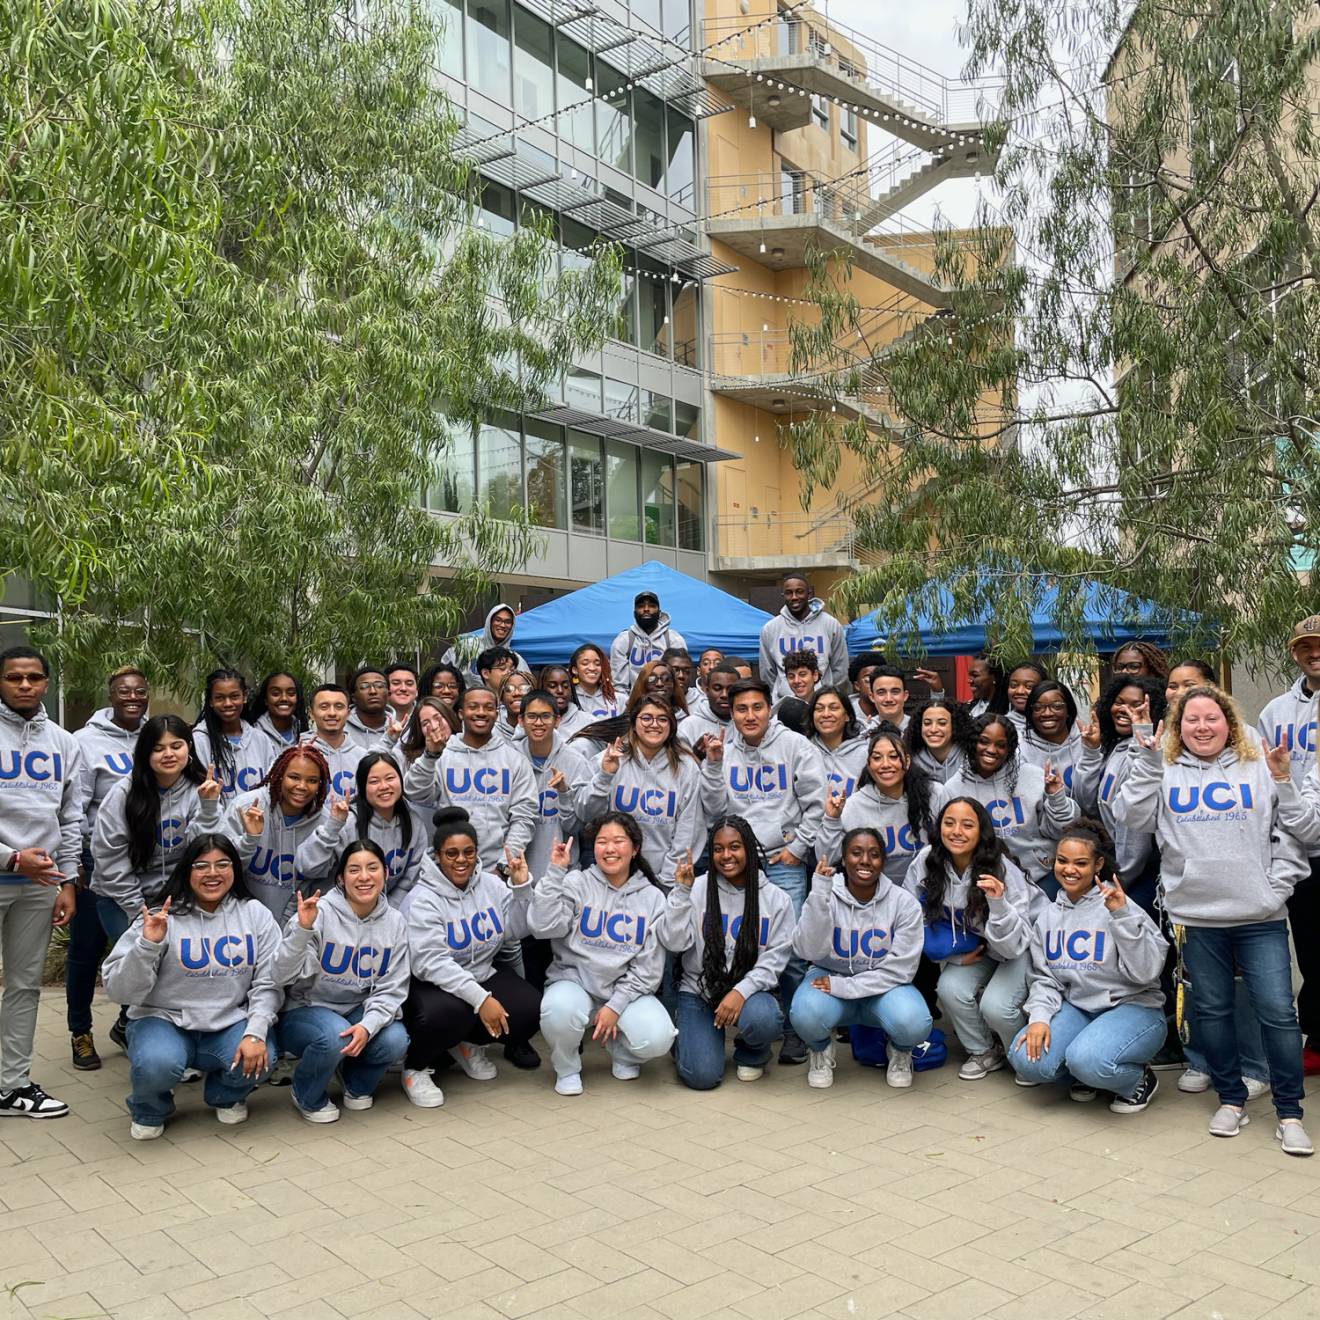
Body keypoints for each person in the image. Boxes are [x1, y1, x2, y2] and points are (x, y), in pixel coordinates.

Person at [1118, 685, 1313, 1154]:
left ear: (1229, 723)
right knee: (1214, 1012)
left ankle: (1290, 1112)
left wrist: (1278, 886)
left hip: (1260, 914)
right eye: (1192, 720)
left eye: (1212, 718)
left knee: (1278, 1014)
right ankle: (1231, 1097)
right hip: (1198, 916)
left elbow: (1292, 832)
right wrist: (1146, 758)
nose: (1202, 727)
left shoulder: (1259, 766)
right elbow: (1132, 815)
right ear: (1179, 728)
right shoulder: (1162, 768)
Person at [101, 833, 280, 1138]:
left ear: (235, 870)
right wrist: (148, 945)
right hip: (163, 1021)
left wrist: (255, 1032)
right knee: (158, 1063)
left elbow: (269, 982)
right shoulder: (161, 916)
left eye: (222, 864)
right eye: (201, 866)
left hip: (228, 1022)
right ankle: (150, 1107)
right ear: (187, 871)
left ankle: (225, 1095)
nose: (213, 873)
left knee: (263, 1056)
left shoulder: (255, 914)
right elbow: (119, 990)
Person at [700, 678, 826, 1064]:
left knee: (789, 952)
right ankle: (739, 1019)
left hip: (780, 860)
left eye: (757, 707)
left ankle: (794, 1032)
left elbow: (816, 803)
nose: (750, 715)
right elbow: (713, 806)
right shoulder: (723, 749)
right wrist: (715, 764)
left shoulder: (795, 746)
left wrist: (798, 847)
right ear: (731, 713)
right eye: (741, 709)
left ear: (769, 709)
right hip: (734, 862)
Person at [1008, 820, 1168, 1112]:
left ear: (1098, 865)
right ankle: (1086, 1072)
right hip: (1080, 1007)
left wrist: (1121, 917)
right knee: (1025, 1059)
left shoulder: (1120, 905)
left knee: (1089, 1061)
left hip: (1133, 1008)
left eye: (1080, 863)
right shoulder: (1048, 916)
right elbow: (1045, 978)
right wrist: (1040, 1017)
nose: (1069, 870)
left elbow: (1146, 972)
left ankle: (1135, 1080)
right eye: (1062, 861)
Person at [529, 813, 675, 1095]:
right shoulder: (576, 882)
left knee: (659, 1037)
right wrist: (555, 873)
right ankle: (567, 1066)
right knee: (557, 1010)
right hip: (575, 982)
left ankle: (622, 1051)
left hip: (624, 990)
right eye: (602, 842)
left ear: (635, 848)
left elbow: (649, 968)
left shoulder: (653, 897)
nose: (610, 849)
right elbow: (542, 926)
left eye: (618, 841)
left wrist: (615, 1006)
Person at [400, 810, 538, 1104]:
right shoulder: (422, 899)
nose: (461, 860)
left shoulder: (490, 886)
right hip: (430, 985)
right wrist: (481, 999)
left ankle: (465, 1043)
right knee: (448, 1014)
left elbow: (515, 930)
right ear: (437, 856)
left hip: (479, 973)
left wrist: (521, 889)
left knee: (529, 1010)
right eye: (451, 853)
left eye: (468, 852)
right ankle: (416, 1066)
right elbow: (430, 963)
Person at [273, 839, 410, 1122]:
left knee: (396, 1039)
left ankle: (353, 1082)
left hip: (355, 1009)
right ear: (341, 878)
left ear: (384, 873)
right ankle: (306, 1094)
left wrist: (368, 1026)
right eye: (354, 870)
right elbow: (282, 975)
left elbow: (392, 988)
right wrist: (302, 931)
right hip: (305, 1009)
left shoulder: (395, 921)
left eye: (372, 868)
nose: (364, 877)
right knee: (334, 1036)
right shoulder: (318, 913)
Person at [0, 645, 81, 1119]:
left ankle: (11, 1087)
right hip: (9, 871)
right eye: (14, 677)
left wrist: (66, 881)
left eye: (33, 677)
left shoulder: (63, 742)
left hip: (38, 885)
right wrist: (12, 858)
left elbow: (69, 818)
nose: (25, 685)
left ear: (47, 682)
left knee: (25, 986)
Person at [790, 829, 932, 1090]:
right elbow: (806, 951)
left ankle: (900, 1052)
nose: (865, 860)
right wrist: (819, 897)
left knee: (915, 1022)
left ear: (883, 862)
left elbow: (900, 970)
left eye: (874, 854)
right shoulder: (826, 893)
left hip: (882, 986)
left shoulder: (904, 903)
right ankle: (820, 1051)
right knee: (804, 1013)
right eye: (856, 853)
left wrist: (845, 986)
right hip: (829, 977)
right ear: (844, 859)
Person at [658, 817, 793, 1089]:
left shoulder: (777, 900)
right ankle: (687, 1039)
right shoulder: (695, 888)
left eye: (735, 847)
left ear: (749, 850)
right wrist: (681, 893)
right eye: (718, 849)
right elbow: (674, 943)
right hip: (699, 989)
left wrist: (740, 992)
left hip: (748, 992)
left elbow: (773, 962)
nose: (726, 855)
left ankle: (752, 1053)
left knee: (764, 1019)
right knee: (701, 1077)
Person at [905, 796, 1033, 1079]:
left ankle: (1022, 1057)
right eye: (949, 823)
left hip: (1021, 946)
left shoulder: (1001, 868)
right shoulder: (926, 861)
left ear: (981, 832)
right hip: (983, 946)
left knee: (997, 1006)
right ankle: (985, 1050)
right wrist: (953, 957)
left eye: (967, 825)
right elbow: (909, 918)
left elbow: (1014, 946)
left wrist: (998, 903)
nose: (957, 832)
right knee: (950, 988)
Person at [67, 666, 148, 1071]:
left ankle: (125, 1022)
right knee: (86, 949)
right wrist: (81, 857)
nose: (132, 697)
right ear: (111, 695)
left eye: (139, 690)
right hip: (96, 861)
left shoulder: (156, 737)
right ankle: (80, 1032)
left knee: (138, 947)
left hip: (146, 866)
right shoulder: (85, 741)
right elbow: (76, 803)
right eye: (123, 691)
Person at [91, 715, 222, 949]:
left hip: (180, 898)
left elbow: (204, 852)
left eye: (176, 746)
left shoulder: (200, 790)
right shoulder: (123, 794)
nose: (168, 754)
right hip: (123, 899)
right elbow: (109, 859)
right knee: (137, 970)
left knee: (172, 976)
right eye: (158, 748)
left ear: (189, 747)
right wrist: (138, 911)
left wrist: (209, 808)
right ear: (144, 753)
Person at [1257, 615, 1320, 1076]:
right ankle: (1316, 1037)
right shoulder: (1276, 711)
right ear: (1294, 653)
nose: (1314, 653)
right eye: (1306, 647)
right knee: (1313, 948)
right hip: (1299, 845)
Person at [403, 685, 536, 873]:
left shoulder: (515, 760)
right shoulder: (442, 756)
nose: (481, 713)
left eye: (488, 708)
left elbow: (524, 818)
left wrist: (503, 866)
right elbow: (415, 793)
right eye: (473, 707)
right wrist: (430, 756)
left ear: (496, 714)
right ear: (460, 713)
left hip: (496, 873)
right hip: (448, 869)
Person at [583, 698, 702, 888]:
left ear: (671, 726)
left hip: (663, 881)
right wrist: (605, 776)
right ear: (633, 724)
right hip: (611, 877)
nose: (654, 724)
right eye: (646, 718)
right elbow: (587, 815)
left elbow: (688, 830)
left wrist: (666, 880)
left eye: (662, 719)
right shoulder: (609, 759)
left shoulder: (687, 768)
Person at [948, 713, 1078, 881]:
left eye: (1001, 745)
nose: (991, 750)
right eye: (984, 741)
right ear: (972, 742)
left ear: (1010, 749)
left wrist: (1056, 798)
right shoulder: (953, 789)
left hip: (1039, 873)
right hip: (983, 879)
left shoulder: (1033, 777)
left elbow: (1062, 830)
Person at [296, 753, 429, 905]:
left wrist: (384, 914)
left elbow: (409, 882)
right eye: (374, 781)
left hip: (387, 917)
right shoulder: (347, 823)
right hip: (339, 914)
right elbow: (306, 866)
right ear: (362, 787)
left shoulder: (414, 824)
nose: (384, 786)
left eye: (390, 778)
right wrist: (333, 826)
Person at [223, 743, 330, 924]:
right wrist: (250, 839)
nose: (302, 786)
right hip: (239, 921)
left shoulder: (325, 823)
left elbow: (323, 885)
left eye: (312, 780)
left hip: (296, 923)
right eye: (294, 777)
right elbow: (223, 867)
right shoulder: (246, 807)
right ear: (279, 776)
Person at [819, 727, 941, 885]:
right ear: (869, 765)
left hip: (928, 891)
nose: (885, 764)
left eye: (893, 756)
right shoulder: (854, 805)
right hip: (876, 896)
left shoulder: (935, 794)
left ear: (908, 761)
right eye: (877, 758)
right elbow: (825, 859)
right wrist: (832, 819)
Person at [517, 689, 591, 890]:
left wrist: (564, 793)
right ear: (521, 721)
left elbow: (577, 827)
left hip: (561, 875)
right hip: (516, 873)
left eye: (545, 716)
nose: (538, 723)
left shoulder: (576, 763)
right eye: (531, 716)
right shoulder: (509, 759)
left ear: (557, 720)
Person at [759, 573, 849, 701]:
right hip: (785, 705)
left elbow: (840, 669)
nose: (794, 597)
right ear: (783, 596)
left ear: (810, 593)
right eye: (789, 593)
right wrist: (780, 697)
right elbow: (767, 673)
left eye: (799, 592)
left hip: (822, 704)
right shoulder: (770, 629)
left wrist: (830, 697)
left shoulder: (830, 624)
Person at [193, 668, 269, 801]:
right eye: (219, 698)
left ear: (244, 696)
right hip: (216, 821)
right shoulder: (199, 741)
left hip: (256, 820)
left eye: (234, 696)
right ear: (210, 701)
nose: (228, 703)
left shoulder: (261, 740)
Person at [1019, 680, 1090, 794]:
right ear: (1030, 713)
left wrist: (1092, 750)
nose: (1047, 713)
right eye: (1038, 707)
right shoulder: (1021, 753)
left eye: (1057, 706)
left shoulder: (1087, 743)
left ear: (1068, 711)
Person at [611, 590, 686, 692]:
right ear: (634, 613)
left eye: (651, 606)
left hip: (667, 702)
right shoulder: (624, 640)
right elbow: (619, 686)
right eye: (641, 606)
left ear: (659, 612)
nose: (646, 609)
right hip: (635, 703)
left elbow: (680, 680)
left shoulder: (674, 639)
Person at [302, 684, 369, 798]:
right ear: (311, 714)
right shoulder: (296, 755)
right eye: (324, 707)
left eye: (339, 706)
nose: (332, 713)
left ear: (348, 714)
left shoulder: (363, 757)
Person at [805, 686, 868, 803]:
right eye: (819, 709)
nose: (826, 714)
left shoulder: (865, 754)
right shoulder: (803, 751)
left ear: (847, 716)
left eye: (833, 708)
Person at [443, 604, 531, 678]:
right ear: (489, 622)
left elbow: (525, 686)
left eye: (507, 622)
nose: (503, 625)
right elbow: (444, 674)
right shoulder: (466, 647)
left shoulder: (515, 660)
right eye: (498, 620)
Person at [905, 695, 969, 785]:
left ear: (954, 726)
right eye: (927, 723)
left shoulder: (969, 758)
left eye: (942, 723)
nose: (933, 729)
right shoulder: (911, 761)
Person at [679, 660, 737, 752]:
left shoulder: (746, 723)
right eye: (717, 688)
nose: (724, 695)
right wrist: (696, 758)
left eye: (731, 689)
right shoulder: (688, 727)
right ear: (707, 691)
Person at [246, 672, 308, 754]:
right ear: (266, 700)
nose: (284, 698)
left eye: (291, 694)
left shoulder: (305, 734)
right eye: (276, 693)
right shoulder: (252, 736)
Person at [569, 642, 618, 720]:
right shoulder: (568, 699)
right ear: (575, 670)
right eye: (585, 663)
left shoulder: (618, 699)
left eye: (597, 664)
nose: (592, 668)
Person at [345, 666, 390, 749]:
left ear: (388, 694)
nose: (373, 691)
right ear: (353, 697)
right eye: (364, 687)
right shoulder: (341, 729)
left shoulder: (401, 730)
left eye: (379, 686)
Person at [539, 664, 589, 738]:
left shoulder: (588, 722)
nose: (560, 690)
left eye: (565, 686)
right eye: (552, 686)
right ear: (542, 689)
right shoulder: (529, 720)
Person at [1004, 661, 1048, 731]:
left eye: (1029, 686)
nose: (1019, 691)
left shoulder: (1057, 723)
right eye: (1013, 685)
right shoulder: (1001, 726)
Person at [494, 670, 532, 743]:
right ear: (501, 698)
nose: (517, 693)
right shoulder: (491, 732)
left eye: (524, 688)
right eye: (509, 689)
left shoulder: (543, 728)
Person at [848, 653, 886, 726]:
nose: (875, 684)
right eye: (868, 679)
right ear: (857, 686)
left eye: (879, 678)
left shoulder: (892, 709)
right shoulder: (846, 715)